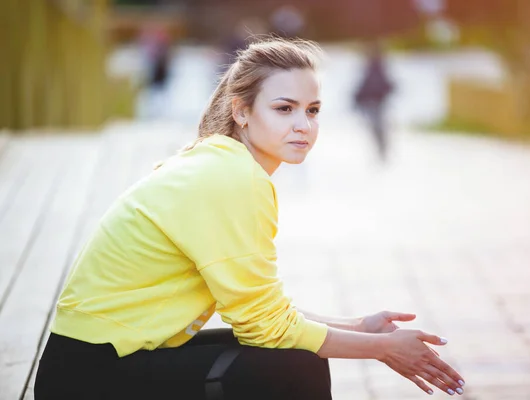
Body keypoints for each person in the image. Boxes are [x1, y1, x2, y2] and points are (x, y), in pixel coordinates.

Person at [34, 37, 465, 400]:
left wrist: (359, 328)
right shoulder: (232, 178)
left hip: (88, 365)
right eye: (284, 108)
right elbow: (267, 328)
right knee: (293, 369)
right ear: (241, 111)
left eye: (312, 110)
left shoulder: (220, 163)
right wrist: (383, 348)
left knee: (298, 357)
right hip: (89, 377)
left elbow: (261, 311)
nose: (304, 125)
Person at [354, 41, 396, 162]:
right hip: (372, 102)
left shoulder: (377, 67)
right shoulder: (372, 67)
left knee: (378, 126)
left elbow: (377, 83)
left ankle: (383, 150)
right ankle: (381, 149)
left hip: (377, 101)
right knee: (377, 127)